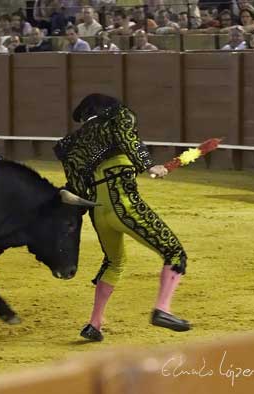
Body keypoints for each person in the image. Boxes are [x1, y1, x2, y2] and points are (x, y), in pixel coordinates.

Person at [53, 93, 191, 342]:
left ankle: (94, 324)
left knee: (114, 262)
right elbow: (130, 140)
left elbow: (77, 182)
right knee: (175, 253)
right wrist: (150, 166)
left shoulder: (76, 141)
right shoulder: (118, 116)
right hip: (123, 201)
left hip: (99, 208)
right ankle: (163, 309)